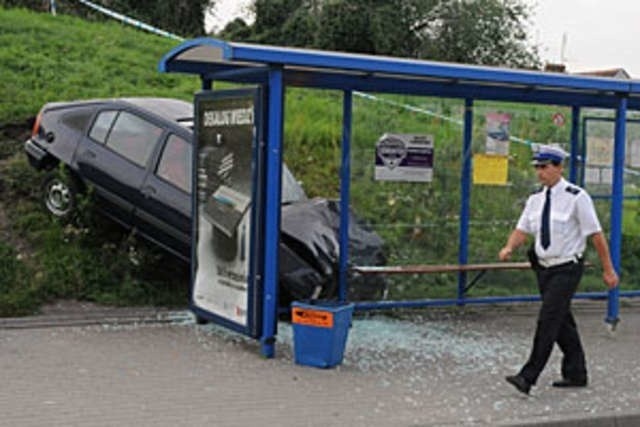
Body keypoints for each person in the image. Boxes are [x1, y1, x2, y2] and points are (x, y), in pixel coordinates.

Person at [498, 144, 619, 395]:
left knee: (549, 320)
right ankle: (576, 372)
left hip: (567, 267)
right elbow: (523, 229)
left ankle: (528, 376)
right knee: (562, 321)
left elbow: (596, 235)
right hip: (543, 268)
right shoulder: (535, 199)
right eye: (537, 168)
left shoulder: (577, 197)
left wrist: (608, 270)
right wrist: (509, 246)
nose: (540, 172)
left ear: (559, 168)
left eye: (545, 167)